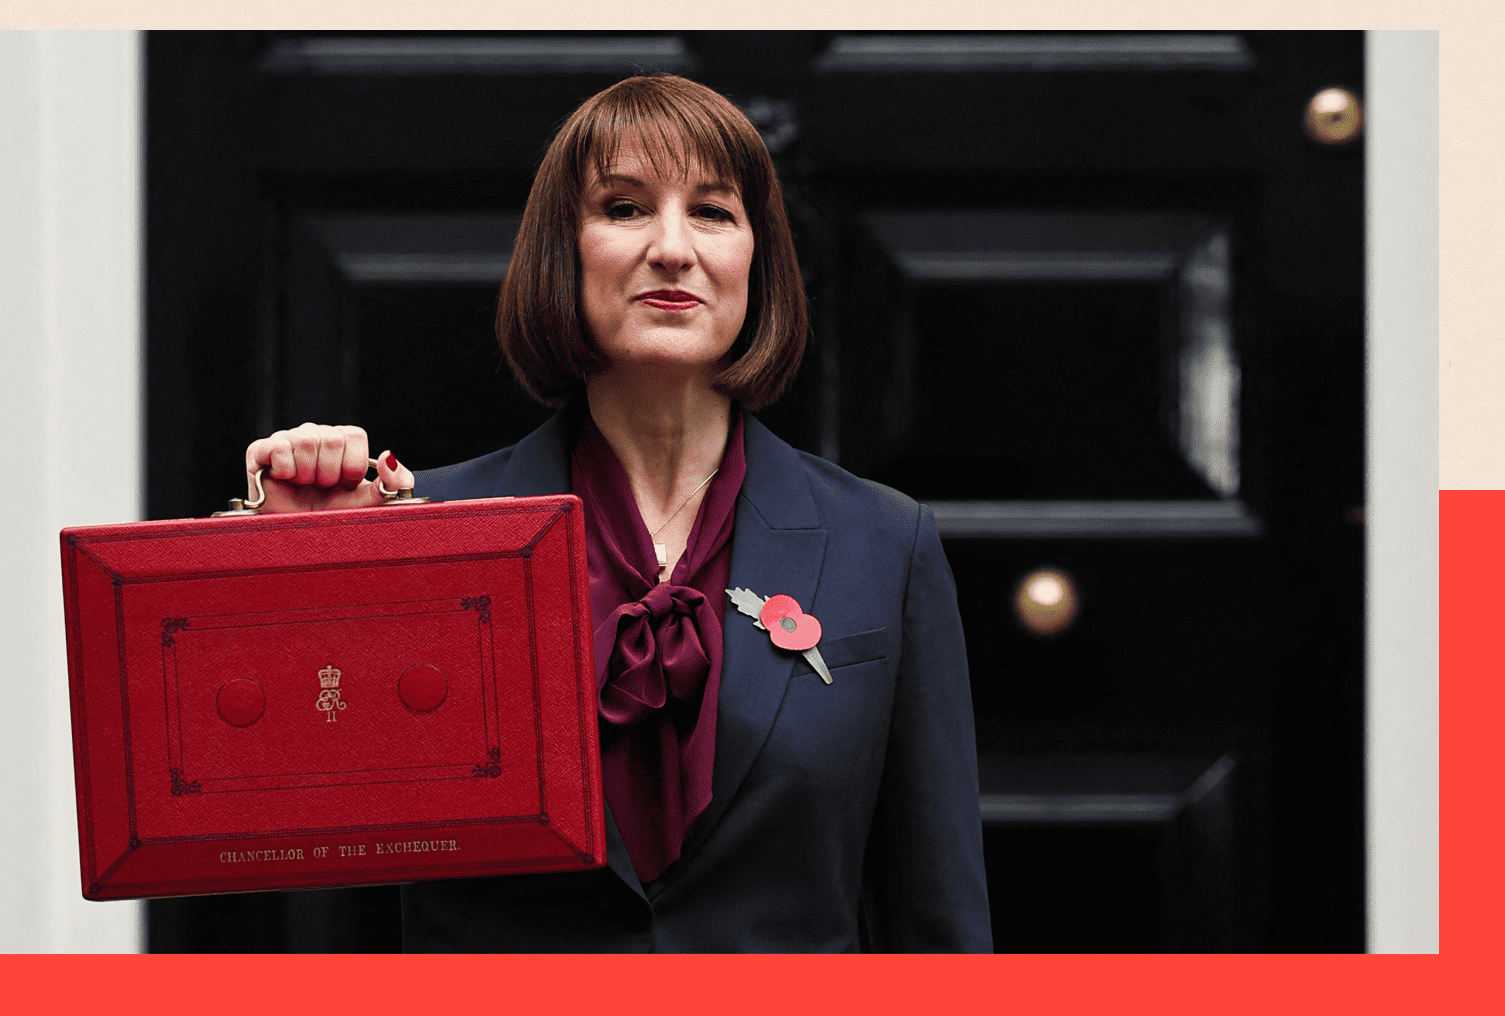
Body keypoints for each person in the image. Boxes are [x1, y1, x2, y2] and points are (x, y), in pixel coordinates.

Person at [245, 74, 991, 951]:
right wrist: (287, 570)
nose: (672, 248)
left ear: (758, 259)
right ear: (565, 251)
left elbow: (936, 922)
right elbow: (270, 823)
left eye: (712, 212)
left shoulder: (886, 542)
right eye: (625, 208)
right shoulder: (427, 531)